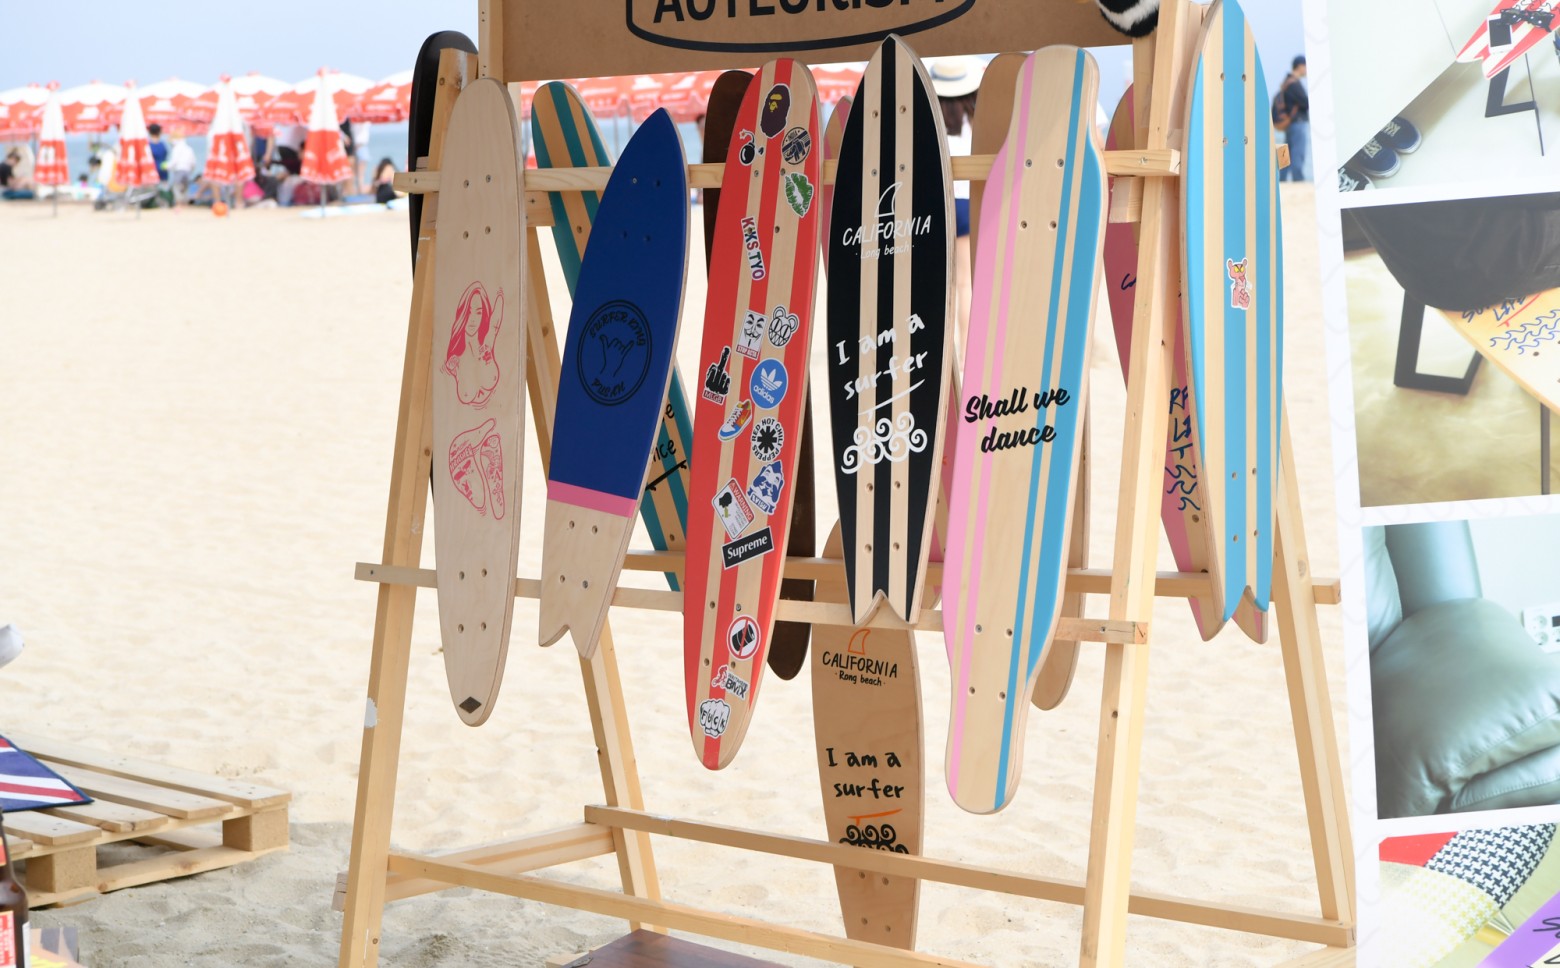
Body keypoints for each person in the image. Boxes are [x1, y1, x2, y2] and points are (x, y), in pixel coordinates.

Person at [926, 56, 984, 342]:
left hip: (938, 203)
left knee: (938, 284)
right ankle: (966, 347)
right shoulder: (976, 121)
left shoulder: (929, 120)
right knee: (965, 283)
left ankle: (943, 347)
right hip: (967, 204)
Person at [1275, 55, 1309, 182]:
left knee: (1286, 154)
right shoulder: (1294, 84)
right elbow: (1306, 102)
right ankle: (1298, 179)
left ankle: (1281, 180)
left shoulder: (1286, 82)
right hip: (1297, 122)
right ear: (1300, 66)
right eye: (1305, 66)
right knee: (1297, 153)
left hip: (1289, 123)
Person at [167, 136, 198, 203]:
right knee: (185, 188)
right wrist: (191, 171)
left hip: (179, 170)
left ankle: (178, 203)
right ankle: (184, 203)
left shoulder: (176, 148)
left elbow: (174, 161)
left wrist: (167, 167)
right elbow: (193, 162)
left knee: (176, 187)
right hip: (188, 170)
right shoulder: (189, 149)